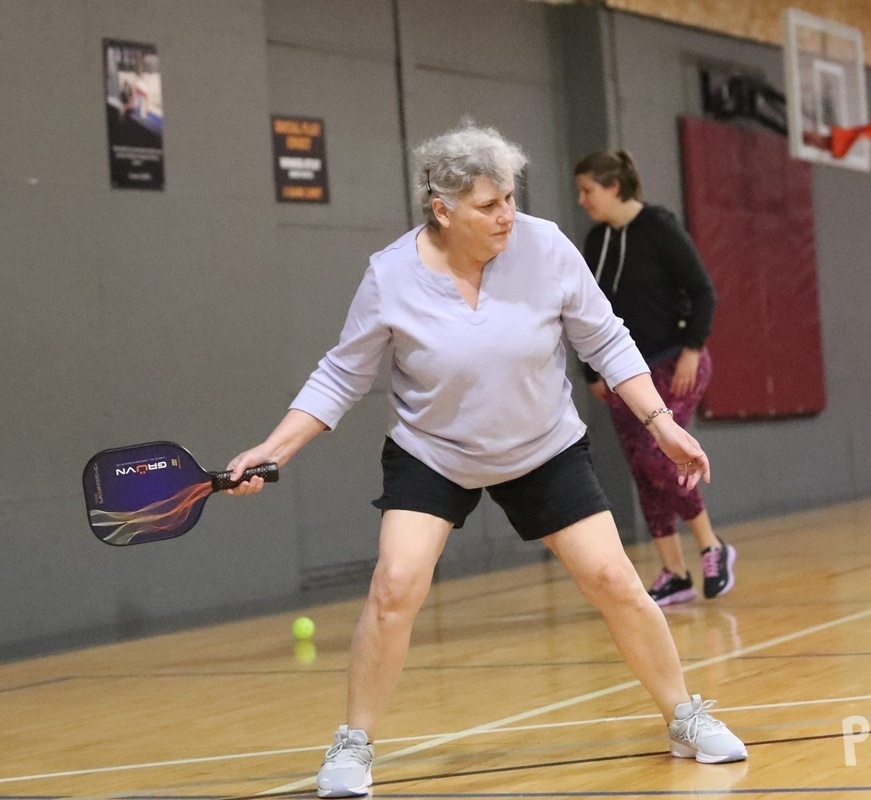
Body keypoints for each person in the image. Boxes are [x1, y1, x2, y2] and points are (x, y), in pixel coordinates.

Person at [225, 123, 747, 799]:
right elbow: (340, 376)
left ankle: (683, 715)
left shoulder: (546, 247)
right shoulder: (391, 275)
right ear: (442, 210)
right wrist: (272, 450)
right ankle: (353, 745)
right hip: (432, 451)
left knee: (614, 577)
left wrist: (660, 424)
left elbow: (608, 339)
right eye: (487, 204)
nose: (507, 215)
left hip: (542, 447)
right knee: (395, 586)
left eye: (508, 197)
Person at [573, 150, 734, 607]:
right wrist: (593, 370)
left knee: (660, 456)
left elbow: (703, 290)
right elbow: (587, 312)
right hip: (624, 374)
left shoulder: (659, 227)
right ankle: (674, 572)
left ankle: (711, 546)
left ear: (613, 187)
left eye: (588, 190)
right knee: (643, 470)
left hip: (673, 362)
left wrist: (693, 348)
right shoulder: (595, 241)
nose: (582, 200)